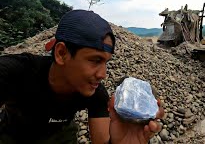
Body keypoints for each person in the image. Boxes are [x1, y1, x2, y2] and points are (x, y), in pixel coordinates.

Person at [0, 9, 164, 144]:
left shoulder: (95, 93)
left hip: (61, 136)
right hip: (12, 135)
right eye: (95, 60)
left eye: (105, 62)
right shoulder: (16, 72)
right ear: (61, 53)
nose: (103, 74)